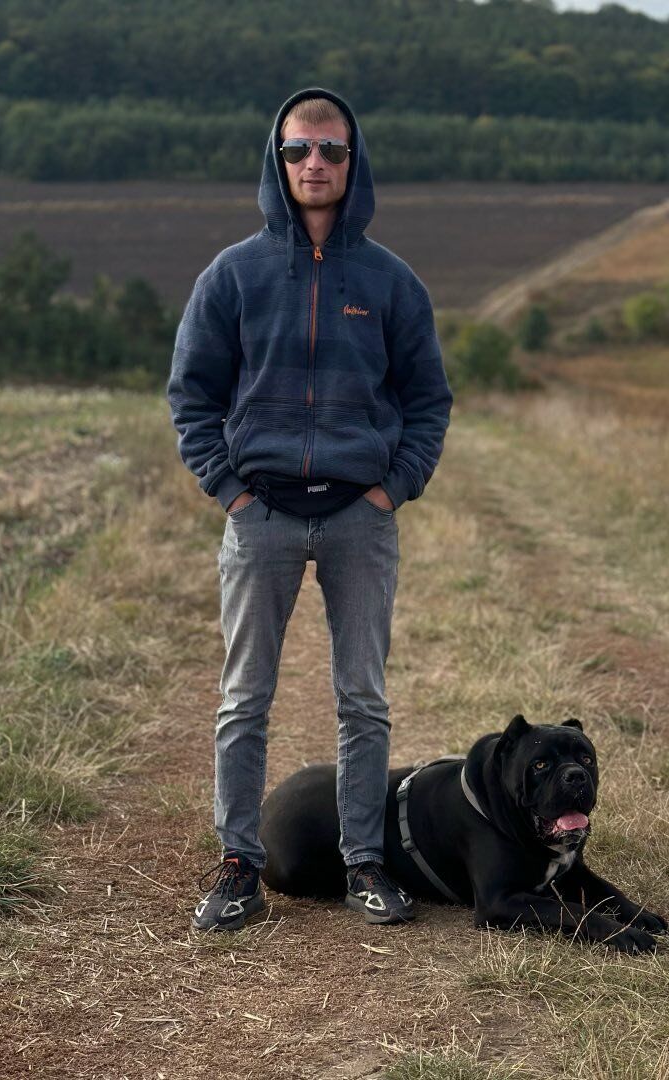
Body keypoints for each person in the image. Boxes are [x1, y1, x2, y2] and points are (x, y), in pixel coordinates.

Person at [167, 87, 453, 932]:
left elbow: (429, 401)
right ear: (277, 159)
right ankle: (237, 866)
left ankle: (364, 860)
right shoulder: (234, 274)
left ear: (353, 160)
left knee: (361, 698)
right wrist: (232, 490)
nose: (315, 164)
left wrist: (390, 488)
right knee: (243, 697)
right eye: (298, 151)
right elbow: (191, 396)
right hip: (262, 519)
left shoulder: (391, 281)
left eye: (330, 150)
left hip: (360, 518)